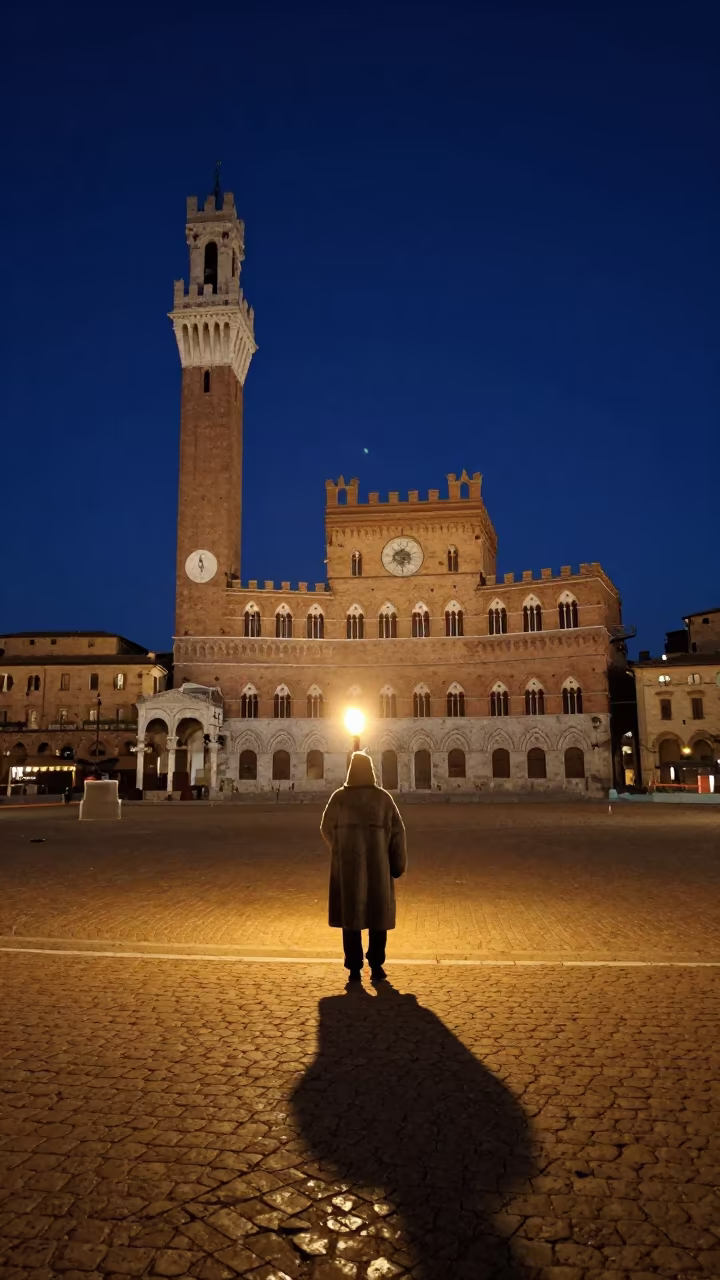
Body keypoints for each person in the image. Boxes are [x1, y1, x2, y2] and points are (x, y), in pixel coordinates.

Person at [320, 750, 407, 982]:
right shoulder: (383, 799)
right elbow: (399, 833)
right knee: (378, 917)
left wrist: (339, 848)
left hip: (348, 868)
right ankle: (377, 966)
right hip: (379, 867)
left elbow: (325, 827)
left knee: (351, 917)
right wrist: (397, 864)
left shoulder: (339, 797)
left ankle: (354, 968)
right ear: (371, 771)